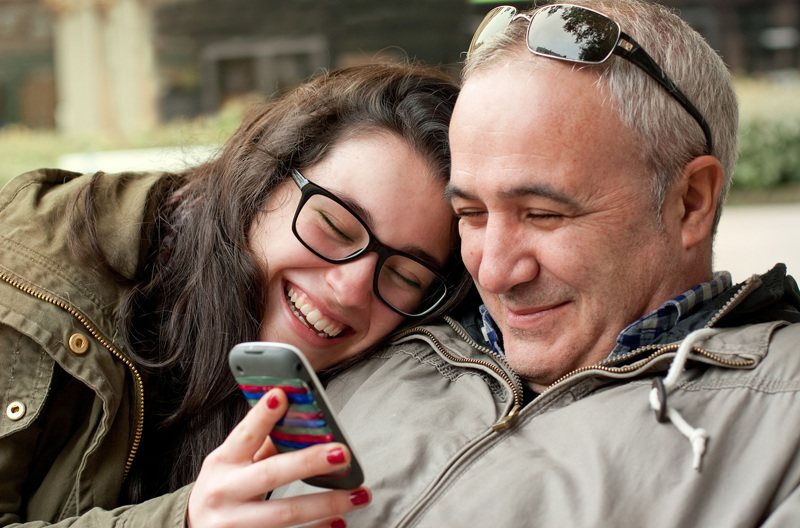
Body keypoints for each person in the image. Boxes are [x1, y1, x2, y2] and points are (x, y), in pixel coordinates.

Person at [273, 1, 800, 526]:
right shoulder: (394, 327)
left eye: (544, 214)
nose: (495, 274)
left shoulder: (782, 418)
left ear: (690, 203)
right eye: (471, 213)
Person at [0, 61, 472, 527]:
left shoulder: (401, 375)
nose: (349, 289)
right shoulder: (36, 268)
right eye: (334, 226)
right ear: (264, 177)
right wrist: (184, 521)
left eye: (405, 276)